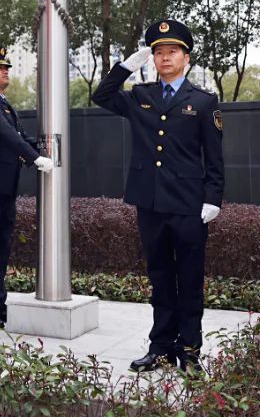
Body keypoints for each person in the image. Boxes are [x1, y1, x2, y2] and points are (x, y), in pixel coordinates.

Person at [91, 19, 224, 372]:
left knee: (191, 281)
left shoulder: (204, 101)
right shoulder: (141, 96)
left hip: (189, 206)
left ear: (186, 58)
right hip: (150, 204)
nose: (165, 58)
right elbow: (101, 96)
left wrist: (213, 198)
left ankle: (191, 352)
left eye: (172, 52)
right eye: (158, 52)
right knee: (161, 279)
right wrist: (124, 67)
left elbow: (215, 158)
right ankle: (161, 348)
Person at [0, 46, 53, 328]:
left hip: (3, 189)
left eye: (6, 67)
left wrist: (45, 150)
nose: (5, 70)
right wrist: (35, 157)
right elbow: (6, 136)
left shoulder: (2, 103)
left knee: (0, 248)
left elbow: (19, 135)